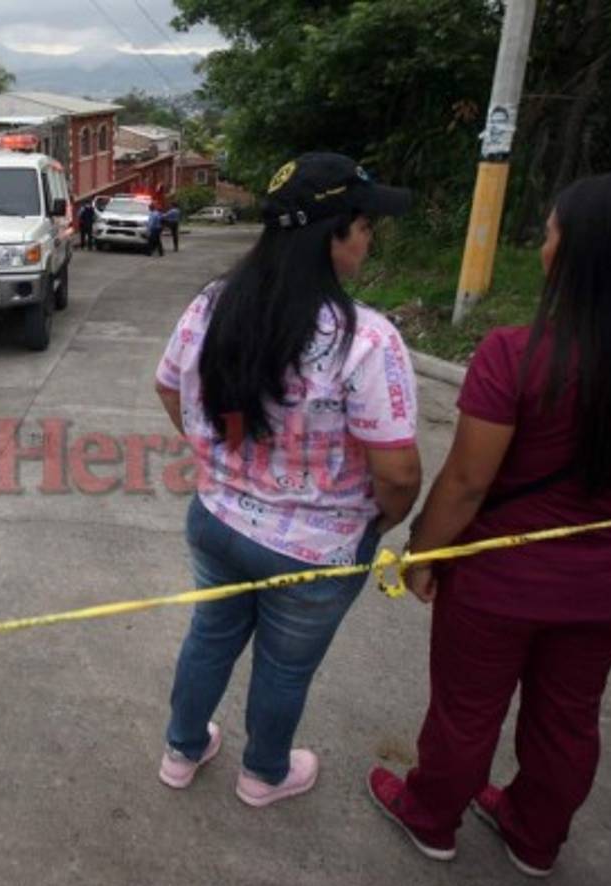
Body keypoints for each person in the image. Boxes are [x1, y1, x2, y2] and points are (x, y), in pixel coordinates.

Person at [367, 172, 611, 875]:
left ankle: (431, 816)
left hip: (496, 581)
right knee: (566, 721)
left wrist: (421, 553)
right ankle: (533, 836)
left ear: (577, 252)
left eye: (551, 232)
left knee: (466, 711)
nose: (542, 245)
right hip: (604, 586)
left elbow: (467, 481)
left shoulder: (514, 353)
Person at [154, 153, 420, 806]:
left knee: (208, 638)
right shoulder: (365, 341)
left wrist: (226, 456)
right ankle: (261, 775)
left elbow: (168, 386)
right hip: (317, 546)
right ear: (328, 233)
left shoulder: (214, 304)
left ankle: (181, 752)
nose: (369, 236)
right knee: (284, 667)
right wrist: (379, 521)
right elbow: (398, 472)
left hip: (216, 519)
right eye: (361, 224)